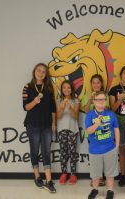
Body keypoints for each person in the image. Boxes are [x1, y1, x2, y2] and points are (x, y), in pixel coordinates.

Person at [22, 63, 56, 193]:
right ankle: (37, 177)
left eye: (43, 71)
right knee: (35, 150)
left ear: (46, 74)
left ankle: (49, 180)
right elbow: (25, 107)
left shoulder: (48, 88)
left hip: (47, 124)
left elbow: (53, 108)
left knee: (46, 151)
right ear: (34, 71)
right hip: (33, 124)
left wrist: (53, 123)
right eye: (38, 70)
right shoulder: (27, 87)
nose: (41, 73)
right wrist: (34, 102)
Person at [85, 91, 120, 199]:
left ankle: (110, 190)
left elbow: (116, 130)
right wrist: (96, 124)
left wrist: (117, 146)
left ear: (106, 101)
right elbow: (89, 131)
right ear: (94, 101)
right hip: (95, 149)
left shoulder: (111, 114)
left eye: (103, 99)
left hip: (110, 148)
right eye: (98, 99)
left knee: (110, 172)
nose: (101, 101)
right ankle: (95, 189)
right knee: (95, 173)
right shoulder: (90, 114)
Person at [81, 74, 109, 186]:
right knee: (94, 156)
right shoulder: (87, 95)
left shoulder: (105, 95)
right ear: (91, 85)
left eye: (98, 82)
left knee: (103, 156)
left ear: (101, 84)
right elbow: (86, 110)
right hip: (91, 131)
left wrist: (99, 101)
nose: (96, 84)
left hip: (103, 131)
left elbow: (107, 110)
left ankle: (101, 177)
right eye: (94, 82)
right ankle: (94, 178)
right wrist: (90, 100)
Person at [56, 80, 80, 185]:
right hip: (62, 130)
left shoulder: (76, 101)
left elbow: (76, 116)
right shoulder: (58, 100)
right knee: (63, 152)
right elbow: (58, 116)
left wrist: (70, 108)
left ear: (72, 89)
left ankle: (73, 174)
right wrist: (61, 108)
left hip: (73, 129)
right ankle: (63, 173)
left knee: (72, 152)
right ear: (62, 89)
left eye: (68, 88)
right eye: (64, 88)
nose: (66, 90)